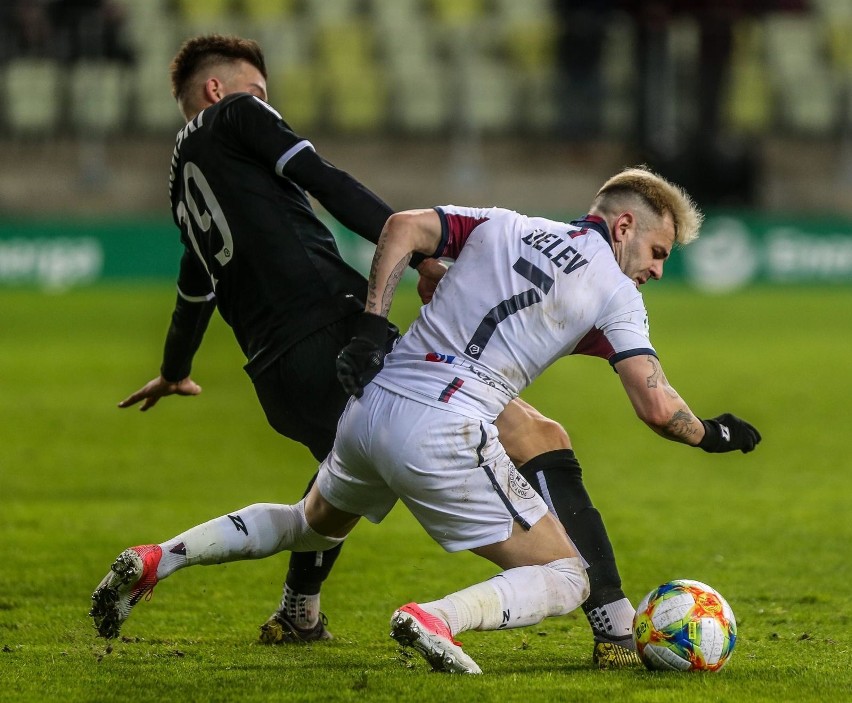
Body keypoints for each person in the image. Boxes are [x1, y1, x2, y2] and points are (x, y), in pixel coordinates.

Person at [100, 33, 650, 668]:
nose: (265, 104)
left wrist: (174, 369)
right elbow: (322, 178)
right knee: (536, 432)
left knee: (321, 509)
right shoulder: (237, 114)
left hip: (275, 371)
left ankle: (208, 579)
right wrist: (421, 252)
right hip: (331, 322)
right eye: (257, 91)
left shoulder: (181, 183)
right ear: (218, 90)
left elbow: (194, 285)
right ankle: (611, 621)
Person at [89, 165, 760, 674]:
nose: (658, 270)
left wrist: (374, 324)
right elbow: (656, 406)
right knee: (566, 576)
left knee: (307, 524)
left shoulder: (504, 223)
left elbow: (403, 226)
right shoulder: (614, 288)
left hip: (373, 403)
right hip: (447, 426)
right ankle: (434, 617)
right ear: (623, 228)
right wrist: (714, 432)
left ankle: (158, 558)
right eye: (658, 252)